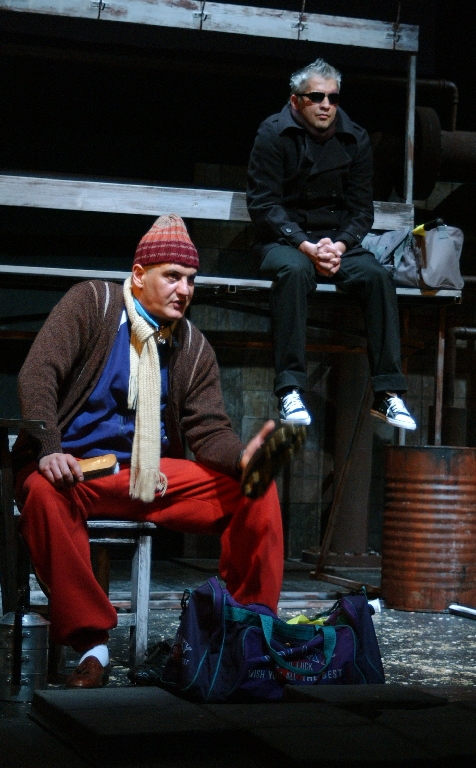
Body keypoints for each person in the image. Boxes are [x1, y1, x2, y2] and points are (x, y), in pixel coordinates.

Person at [12, 214, 284, 689]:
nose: (184, 289)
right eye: (172, 276)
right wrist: (49, 448)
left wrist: (244, 460)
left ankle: (249, 629)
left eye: (191, 280)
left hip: (150, 476)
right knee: (41, 491)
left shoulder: (192, 346)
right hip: (78, 471)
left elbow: (209, 431)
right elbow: (38, 375)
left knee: (257, 488)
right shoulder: (93, 303)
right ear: (139, 275)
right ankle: (92, 646)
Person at [247, 58, 416, 430]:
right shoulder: (273, 133)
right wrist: (304, 245)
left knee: (377, 277)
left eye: (333, 98)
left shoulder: (354, 138)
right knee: (294, 272)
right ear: (296, 101)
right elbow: (263, 205)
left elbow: (361, 210)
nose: (326, 105)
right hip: (284, 239)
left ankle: (387, 393)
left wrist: (339, 246)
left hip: (336, 243)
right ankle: (289, 389)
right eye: (317, 97)